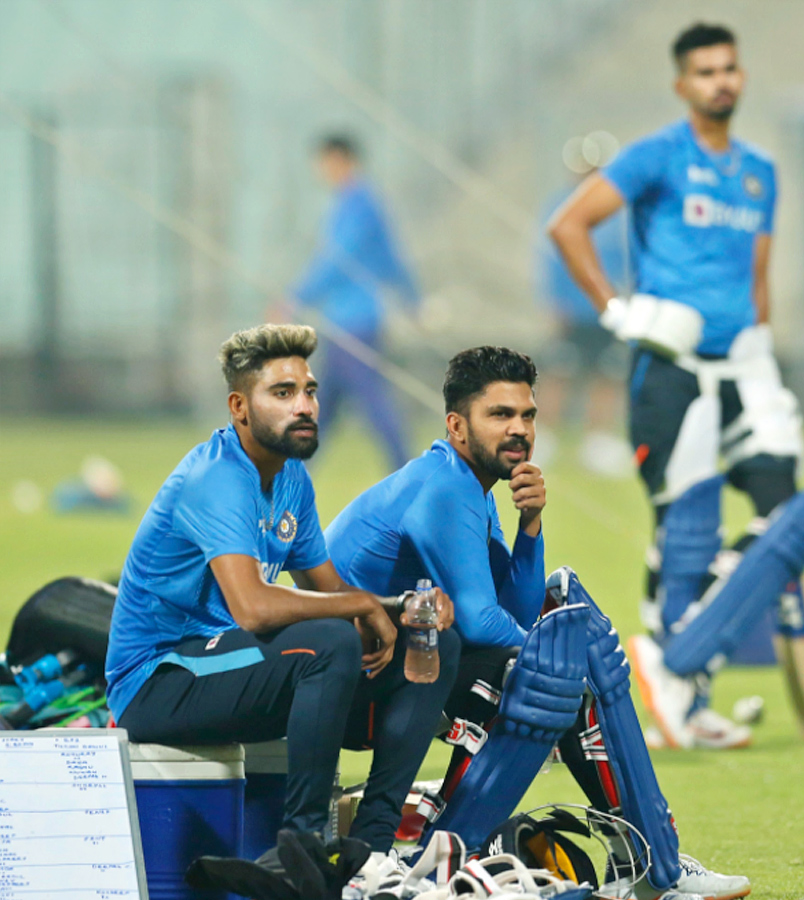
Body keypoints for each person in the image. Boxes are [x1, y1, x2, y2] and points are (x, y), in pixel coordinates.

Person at [325, 347, 751, 900]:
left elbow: (519, 610)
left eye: (527, 415)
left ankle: (647, 855)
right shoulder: (445, 486)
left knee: (563, 603)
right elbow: (480, 623)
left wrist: (531, 525)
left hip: (403, 671)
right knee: (543, 672)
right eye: (499, 415)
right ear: (457, 426)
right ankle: (453, 858)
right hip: (351, 688)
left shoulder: (471, 485)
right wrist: (552, 668)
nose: (519, 430)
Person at [547, 22, 804, 750]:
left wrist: (762, 341)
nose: (721, 81)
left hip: (743, 362)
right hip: (670, 369)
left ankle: (677, 664)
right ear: (683, 84)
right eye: (706, 71)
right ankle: (682, 695)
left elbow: (758, 274)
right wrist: (615, 309)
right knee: (684, 532)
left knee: (785, 513)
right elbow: (569, 225)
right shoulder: (656, 156)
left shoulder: (758, 172)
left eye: (729, 69)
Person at [105, 323, 459, 866]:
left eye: (310, 391)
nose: (305, 406)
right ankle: (303, 851)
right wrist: (361, 607)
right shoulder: (216, 478)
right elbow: (254, 607)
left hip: (231, 663)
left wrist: (401, 609)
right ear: (239, 408)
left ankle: (373, 848)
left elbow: (332, 591)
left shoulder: (291, 479)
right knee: (327, 645)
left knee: (436, 641)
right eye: (283, 393)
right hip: (159, 680)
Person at [292, 134, 420, 471]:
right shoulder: (357, 202)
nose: (321, 171)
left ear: (340, 159)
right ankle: (292, 474)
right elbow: (392, 257)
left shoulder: (357, 203)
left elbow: (338, 261)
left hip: (357, 320)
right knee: (325, 406)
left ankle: (408, 471)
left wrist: (295, 297)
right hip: (343, 320)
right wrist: (412, 298)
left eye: (324, 163)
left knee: (371, 402)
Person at [536, 137, 631, 476]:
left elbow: (627, 259)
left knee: (608, 373)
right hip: (573, 307)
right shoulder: (559, 205)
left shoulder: (619, 211)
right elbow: (550, 260)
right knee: (559, 371)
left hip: (608, 307)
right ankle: (542, 436)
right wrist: (553, 301)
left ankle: (599, 440)